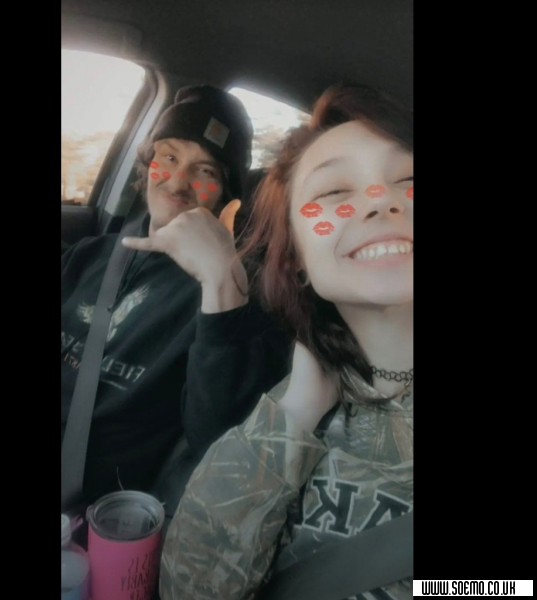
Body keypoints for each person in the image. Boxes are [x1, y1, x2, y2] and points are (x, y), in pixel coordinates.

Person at [160, 83, 413, 600]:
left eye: (408, 179)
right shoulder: (291, 403)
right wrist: (295, 413)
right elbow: (189, 589)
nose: (379, 201)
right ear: (295, 256)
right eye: (334, 192)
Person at [61, 85, 290, 503]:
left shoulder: (233, 297)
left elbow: (218, 443)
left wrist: (221, 283)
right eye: (168, 157)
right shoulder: (86, 255)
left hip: (89, 504)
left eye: (206, 171)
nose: (179, 181)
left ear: (226, 197)